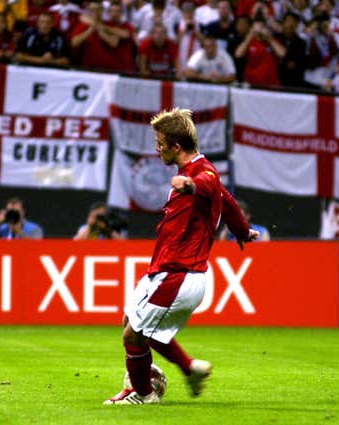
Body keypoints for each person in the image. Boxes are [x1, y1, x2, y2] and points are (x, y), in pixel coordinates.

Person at [104, 108, 259, 405]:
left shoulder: (202, 174)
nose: (156, 148)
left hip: (181, 274)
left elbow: (209, 184)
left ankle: (143, 394)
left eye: (160, 143)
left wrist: (189, 186)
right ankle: (189, 369)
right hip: (165, 270)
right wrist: (242, 230)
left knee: (133, 336)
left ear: (177, 146)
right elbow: (226, 201)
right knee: (130, 319)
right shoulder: (192, 172)